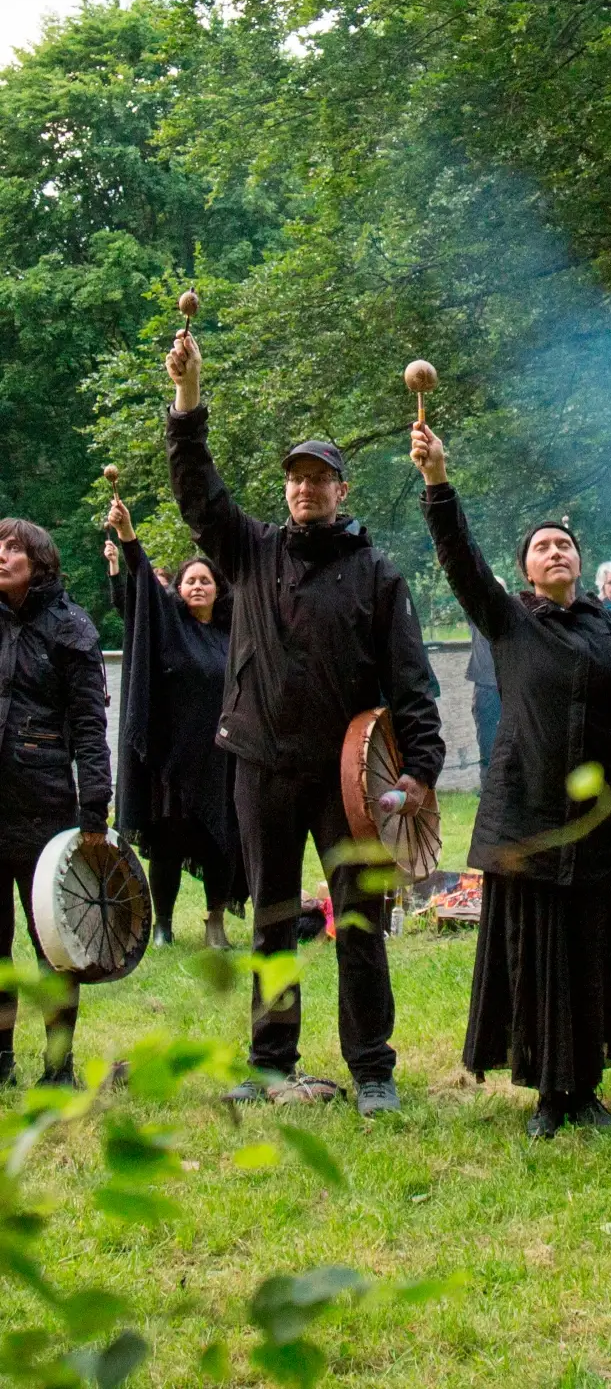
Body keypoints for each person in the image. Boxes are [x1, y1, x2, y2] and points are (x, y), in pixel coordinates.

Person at [165, 328, 444, 1115]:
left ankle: (374, 1070)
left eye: (319, 479)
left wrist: (419, 770)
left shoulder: (377, 573)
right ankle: (269, 1059)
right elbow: (196, 489)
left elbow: (412, 680)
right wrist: (187, 399)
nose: (304, 489)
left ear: (342, 490)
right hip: (259, 763)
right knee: (273, 921)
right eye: (295, 478)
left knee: (359, 921)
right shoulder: (250, 553)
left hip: (345, 776)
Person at [412, 420, 611, 1140]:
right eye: (542, 546)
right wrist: (437, 482)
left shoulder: (610, 627)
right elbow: (458, 558)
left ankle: (585, 1089)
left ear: (581, 564)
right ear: (525, 572)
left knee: (589, 950)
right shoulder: (509, 623)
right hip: (526, 812)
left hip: (594, 817)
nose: (556, 550)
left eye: (565, 544)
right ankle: (548, 1095)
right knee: (538, 953)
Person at [0, 520, 111, 1088]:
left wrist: (95, 808)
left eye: (12, 547)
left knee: (54, 946)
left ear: (39, 559)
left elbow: (91, 727)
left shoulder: (70, 627)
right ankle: (0, 1062)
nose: (0, 556)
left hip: (46, 809)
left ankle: (58, 1068)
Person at [107, 495, 243, 951]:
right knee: (167, 844)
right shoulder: (170, 625)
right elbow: (143, 580)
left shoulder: (234, 635)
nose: (198, 586)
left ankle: (215, 923)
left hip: (222, 759)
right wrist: (128, 537)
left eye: (206, 580)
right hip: (174, 760)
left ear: (219, 589)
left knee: (220, 842)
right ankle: (163, 924)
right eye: (190, 581)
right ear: (179, 591)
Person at [466, 583, 504, 781]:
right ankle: (487, 787)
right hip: (484, 688)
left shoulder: (509, 620)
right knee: (486, 742)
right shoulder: (476, 618)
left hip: (508, 686)